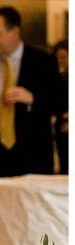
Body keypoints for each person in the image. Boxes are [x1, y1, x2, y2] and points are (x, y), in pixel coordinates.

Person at [0, 7, 61, 199]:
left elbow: (60, 102)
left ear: (15, 32)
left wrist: (32, 99)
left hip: (32, 154)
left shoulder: (43, 61)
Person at [52, 39, 68, 174]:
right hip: (61, 129)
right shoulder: (58, 79)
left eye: (63, 57)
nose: (60, 61)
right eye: (57, 58)